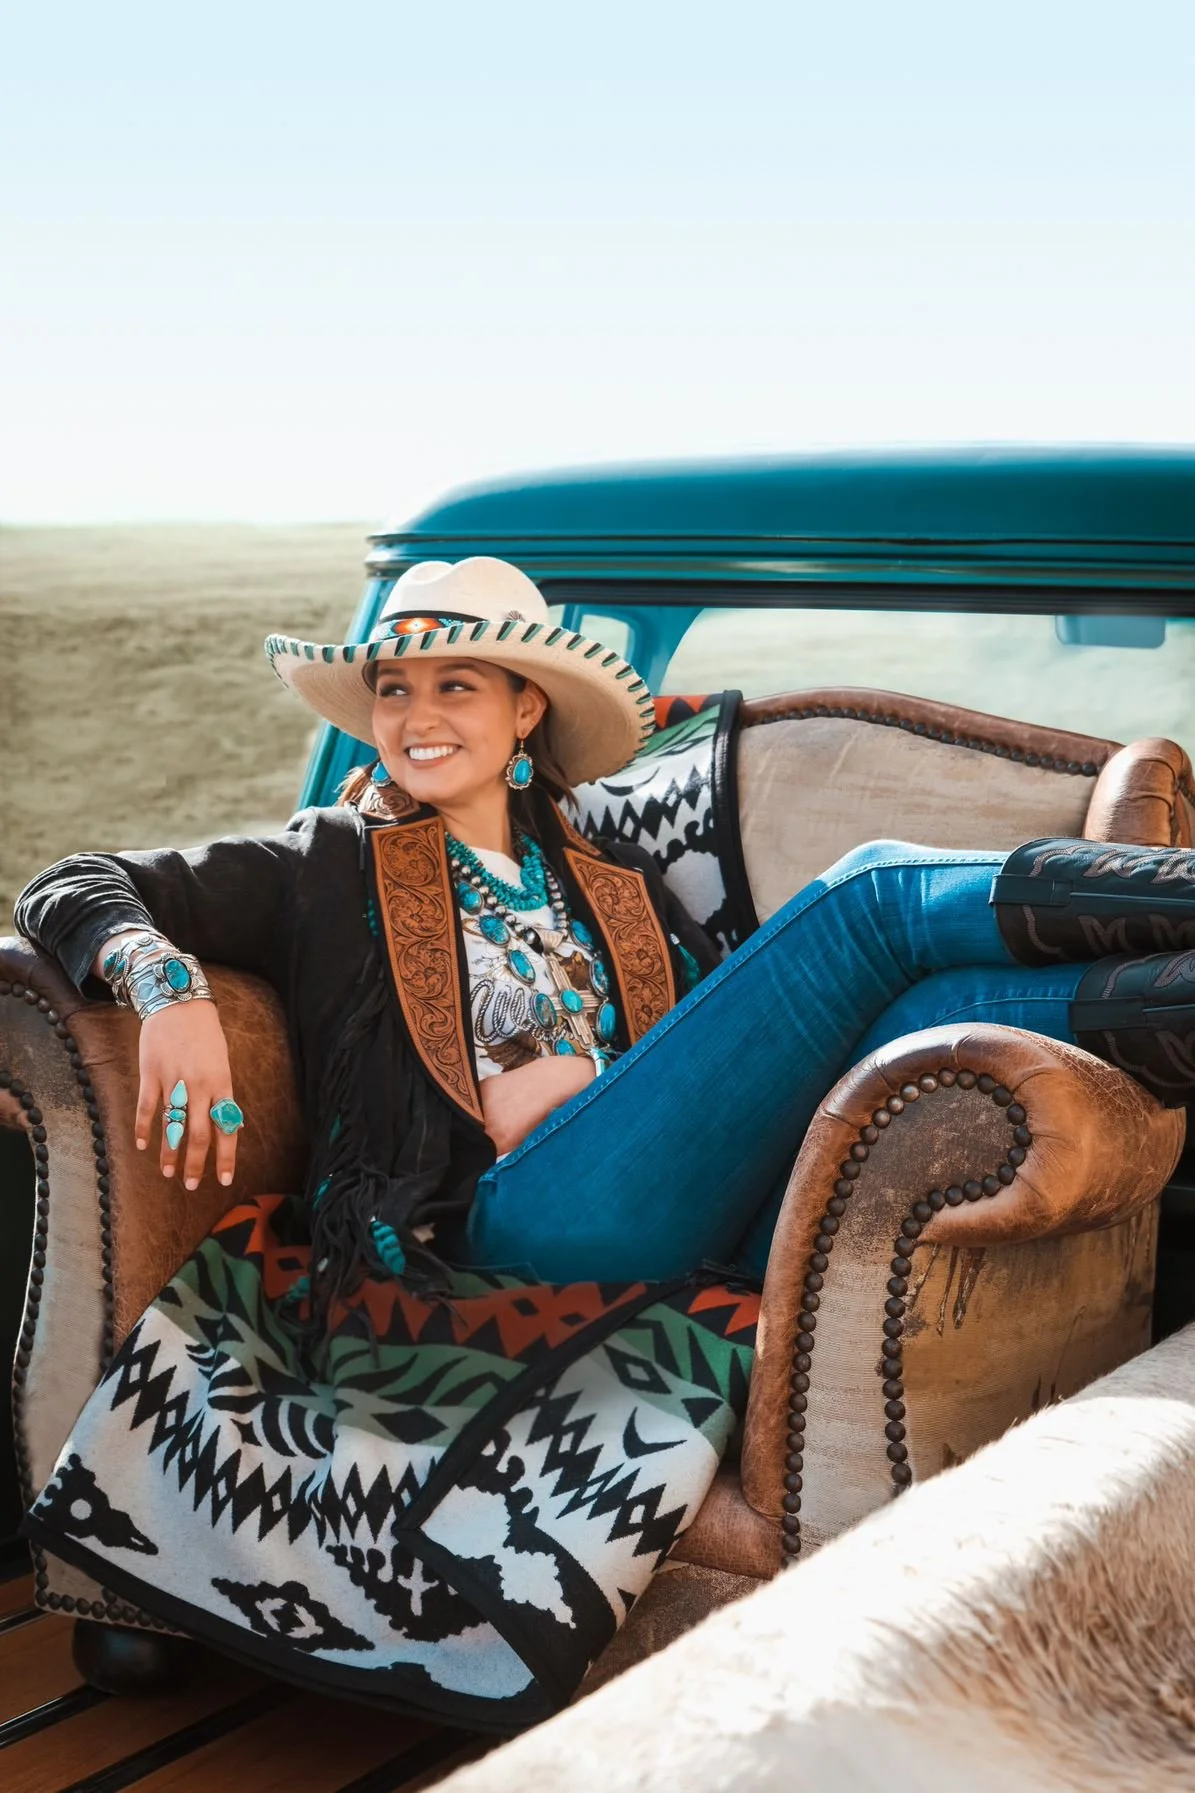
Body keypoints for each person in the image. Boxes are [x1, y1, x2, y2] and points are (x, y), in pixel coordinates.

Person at [16, 556, 1195, 1723]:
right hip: (502, 1228)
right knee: (873, 893)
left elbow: (715, 1066)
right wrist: (164, 987)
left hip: (677, 1197)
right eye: (395, 690)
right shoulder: (328, 859)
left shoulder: (614, 879)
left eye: (455, 686)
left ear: (526, 707)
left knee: (919, 1017)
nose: (416, 718)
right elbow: (75, 883)